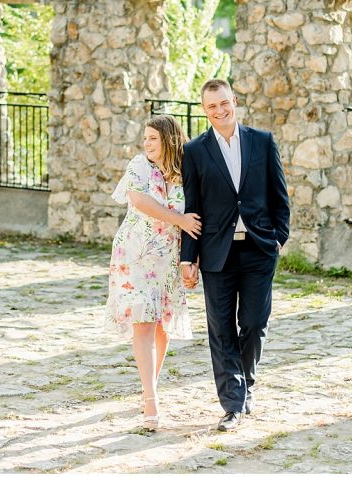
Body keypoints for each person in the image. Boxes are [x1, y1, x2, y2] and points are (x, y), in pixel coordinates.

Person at [180, 79, 290, 432]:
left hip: (259, 248)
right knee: (221, 329)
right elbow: (192, 208)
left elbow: (279, 197)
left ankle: (246, 382)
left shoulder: (262, 141)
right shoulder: (195, 151)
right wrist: (188, 257)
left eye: (224, 103)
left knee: (255, 323)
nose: (220, 111)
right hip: (216, 253)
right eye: (212, 106)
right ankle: (233, 402)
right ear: (205, 110)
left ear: (235, 101)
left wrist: (278, 240)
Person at [105, 115, 201, 431]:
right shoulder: (139, 166)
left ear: (169, 140)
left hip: (168, 258)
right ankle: (150, 400)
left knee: (162, 325)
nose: (146, 144)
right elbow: (139, 201)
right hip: (135, 255)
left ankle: (151, 386)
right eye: (144, 138)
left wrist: (192, 259)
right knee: (143, 323)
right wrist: (179, 218)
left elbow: (197, 218)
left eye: (153, 139)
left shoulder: (187, 173)